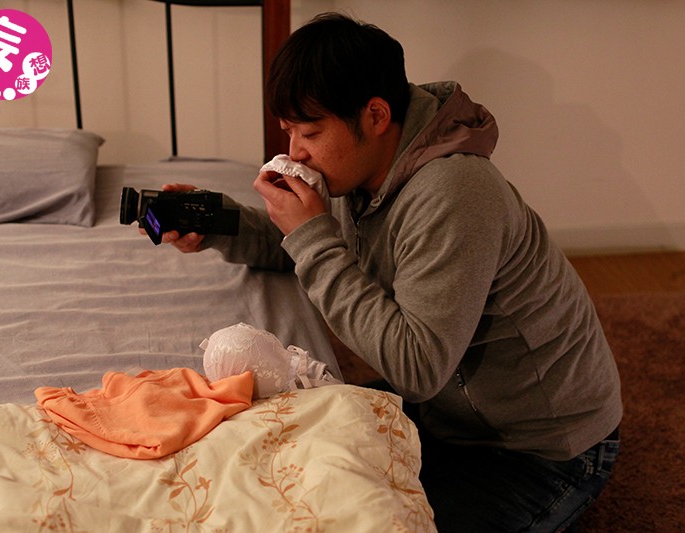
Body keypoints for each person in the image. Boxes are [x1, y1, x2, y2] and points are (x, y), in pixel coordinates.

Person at [159, 12, 622, 532]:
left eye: (310, 132)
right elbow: (301, 244)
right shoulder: (359, 168)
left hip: (538, 449)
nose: (295, 153)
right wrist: (218, 223)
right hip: (450, 416)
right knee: (277, 472)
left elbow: (417, 369)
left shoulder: (454, 194)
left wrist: (311, 236)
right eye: (289, 132)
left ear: (376, 115)